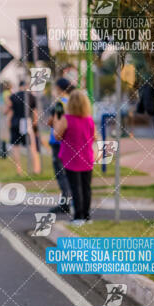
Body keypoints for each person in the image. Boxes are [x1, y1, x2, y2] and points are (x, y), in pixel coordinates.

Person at [54, 89, 96, 225]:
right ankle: (87, 215)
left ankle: (78, 216)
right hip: (87, 157)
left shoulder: (66, 119)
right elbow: (94, 137)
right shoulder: (89, 120)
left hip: (71, 159)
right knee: (86, 187)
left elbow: (57, 135)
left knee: (75, 187)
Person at [47, 78, 73, 214]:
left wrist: (50, 122)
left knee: (60, 172)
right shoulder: (72, 101)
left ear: (59, 88)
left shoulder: (59, 103)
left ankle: (65, 202)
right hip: (69, 140)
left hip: (58, 141)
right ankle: (69, 200)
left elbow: (53, 121)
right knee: (68, 171)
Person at [6, 81, 40, 175]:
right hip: (26, 122)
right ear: (26, 86)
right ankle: (36, 169)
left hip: (15, 123)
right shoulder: (31, 96)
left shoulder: (13, 96)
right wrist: (35, 126)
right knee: (32, 146)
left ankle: (19, 170)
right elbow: (35, 113)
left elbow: (7, 110)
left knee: (16, 147)